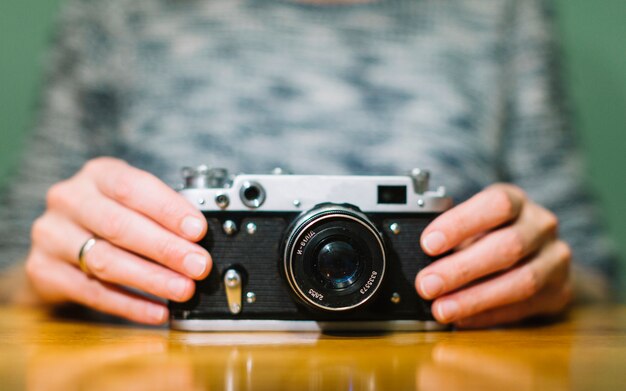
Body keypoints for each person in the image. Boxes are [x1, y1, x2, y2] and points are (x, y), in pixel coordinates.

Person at [0, 0, 619, 327]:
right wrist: (46, 268)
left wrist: (544, 273)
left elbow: (591, 277)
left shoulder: (500, 11)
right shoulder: (114, 11)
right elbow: (12, 265)